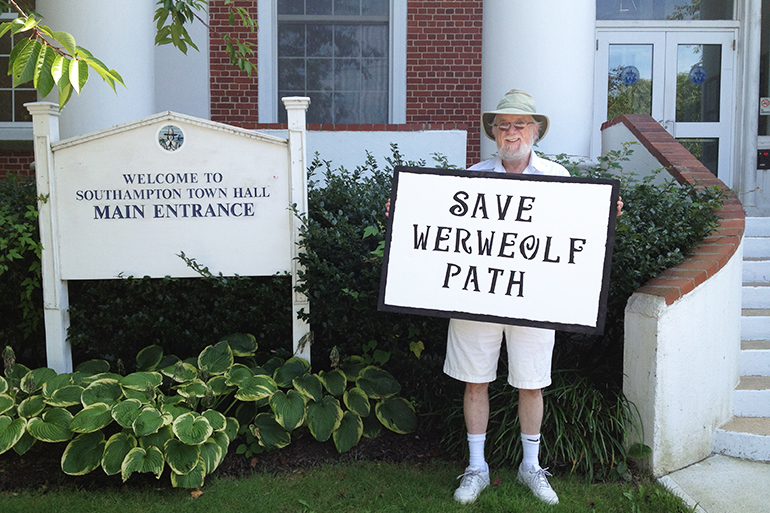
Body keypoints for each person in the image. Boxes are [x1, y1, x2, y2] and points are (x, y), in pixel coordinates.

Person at [445, 89, 623, 506]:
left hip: (535, 300)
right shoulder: (472, 176)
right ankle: (477, 468)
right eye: (503, 125)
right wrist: (404, 210)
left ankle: (530, 466)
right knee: (476, 380)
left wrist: (604, 215)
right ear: (493, 131)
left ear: (536, 130)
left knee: (532, 382)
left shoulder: (557, 177)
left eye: (520, 124)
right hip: (478, 295)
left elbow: (576, 232)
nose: (511, 132)